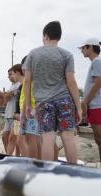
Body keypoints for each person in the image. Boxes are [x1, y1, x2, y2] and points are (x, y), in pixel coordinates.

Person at [24, 21, 82, 163]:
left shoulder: (33, 54)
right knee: (68, 137)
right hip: (65, 100)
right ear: (59, 37)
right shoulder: (67, 55)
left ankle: (48, 174)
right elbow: (71, 82)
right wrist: (78, 107)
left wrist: (27, 105)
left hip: (43, 102)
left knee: (47, 137)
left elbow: (27, 81)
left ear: (45, 35)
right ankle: (73, 172)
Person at [79, 38, 101, 161]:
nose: (81, 51)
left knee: (100, 138)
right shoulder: (96, 62)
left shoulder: (97, 61)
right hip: (95, 105)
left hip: (97, 105)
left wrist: (85, 101)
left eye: (83, 48)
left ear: (90, 47)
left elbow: (99, 82)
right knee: (98, 139)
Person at [2, 66, 21, 153]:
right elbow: (5, 99)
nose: (9, 77)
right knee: (4, 137)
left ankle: (16, 157)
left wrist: (7, 95)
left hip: (16, 115)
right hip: (8, 114)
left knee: (14, 138)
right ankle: (8, 156)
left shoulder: (20, 84)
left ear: (16, 73)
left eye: (10, 74)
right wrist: (7, 95)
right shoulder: (12, 86)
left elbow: (6, 96)